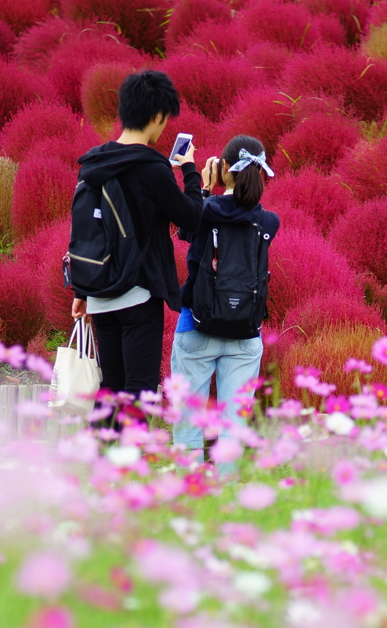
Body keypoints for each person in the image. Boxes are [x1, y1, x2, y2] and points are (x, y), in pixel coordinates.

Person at [70, 69, 208, 400]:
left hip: (100, 293)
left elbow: (85, 227)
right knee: (139, 390)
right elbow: (191, 216)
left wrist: (81, 290)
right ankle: (129, 452)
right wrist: (190, 171)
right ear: (158, 115)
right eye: (165, 119)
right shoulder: (150, 167)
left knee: (111, 389)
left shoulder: (93, 163)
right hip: (138, 293)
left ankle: (101, 451)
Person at [171, 134, 280, 456]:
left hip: (197, 324)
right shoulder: (269, 221)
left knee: (188, 421)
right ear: (260, 172)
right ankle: (229, 494)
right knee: (235, 426)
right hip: (246, 331)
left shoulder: (206, 210)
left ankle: (188, 494)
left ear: (224, 169)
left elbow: (186, 231)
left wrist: (204, 187)